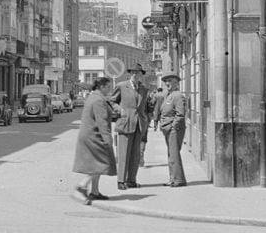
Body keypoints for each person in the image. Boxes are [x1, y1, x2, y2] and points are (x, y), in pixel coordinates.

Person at [73, 77, 117, 204]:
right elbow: (102, 121)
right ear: (102, 87)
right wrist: (108, 139)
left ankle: (95, 192)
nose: (110, 89)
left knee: (95, 164)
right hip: (94, 136)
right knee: (102, 163)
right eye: (108, 87)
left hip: (89, 134)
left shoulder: (93, 97)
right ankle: (82, 185)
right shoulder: (99, 100)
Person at [109, 62, 150, 190]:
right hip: (125, 123)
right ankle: (121, 180)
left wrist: (145, 122)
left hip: (139, 124)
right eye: (132, 72)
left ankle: (131, 180)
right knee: (123, 154)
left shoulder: (144, 89)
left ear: (141, 75)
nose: (134, 75)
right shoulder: (122, 86)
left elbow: (144, 108)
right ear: (129, 74)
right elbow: (111, 101)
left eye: (137, 73)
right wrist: (119, 109)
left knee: (135, 155)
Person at [159, 72, 187, 187]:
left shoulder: (177, 95)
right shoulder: (168, 95)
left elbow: (180, 114)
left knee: (174, 154)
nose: (167, 83)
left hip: (174, 129)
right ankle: (173, 178)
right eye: (166, 81)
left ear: (176, 83)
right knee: (171, 154)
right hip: (168, 128)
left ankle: (178, 180)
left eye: (170, 81)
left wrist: (173, 126)